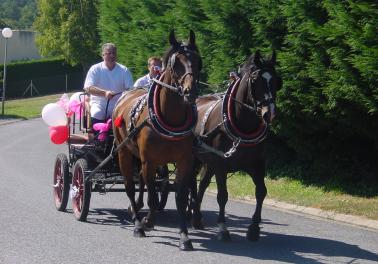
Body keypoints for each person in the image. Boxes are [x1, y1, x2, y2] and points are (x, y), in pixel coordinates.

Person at [83, 43, 133, 124]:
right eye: (109, 53)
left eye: (114, 53)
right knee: (97, 113)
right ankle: (99, 136)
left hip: (119, 105)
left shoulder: (124, 70)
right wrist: (105, 93)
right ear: (103, 55)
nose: (112, 56)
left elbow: (130, 90)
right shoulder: (95, 69)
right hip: (99, 104)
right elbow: (88, 88)